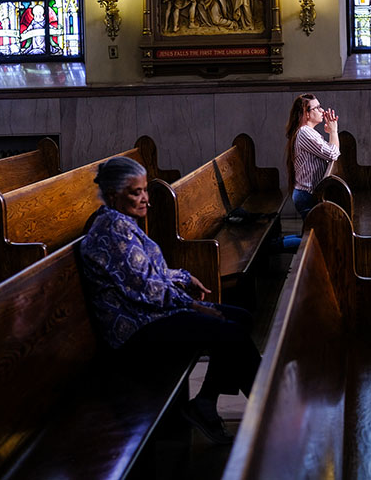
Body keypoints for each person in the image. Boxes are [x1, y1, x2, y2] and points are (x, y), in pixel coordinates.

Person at [79, 157, 260, 445]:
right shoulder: (114, 231)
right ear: (113, 194)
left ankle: (206, 402)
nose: (145, 199)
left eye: (144, 190)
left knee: (240, 318)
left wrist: (185, 278)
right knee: (231, 331)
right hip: (135, 330)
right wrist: (194, 305)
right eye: (135, 192)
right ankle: (269, 416)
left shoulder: (121, 221)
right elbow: (147, 290)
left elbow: (149, 271)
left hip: (149, 315)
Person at [285, 93, 340, 220]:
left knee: (313, 236)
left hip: (309, 193)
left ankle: (277, 241)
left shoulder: (309, 132)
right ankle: (276, 241)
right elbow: (333, 154)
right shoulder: (304, 133)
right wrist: (333, 131)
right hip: (307, 195)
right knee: (313, 238)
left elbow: (331, 153)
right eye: (317, 108)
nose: (322, 110)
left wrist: (332, 133)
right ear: (306, 113)